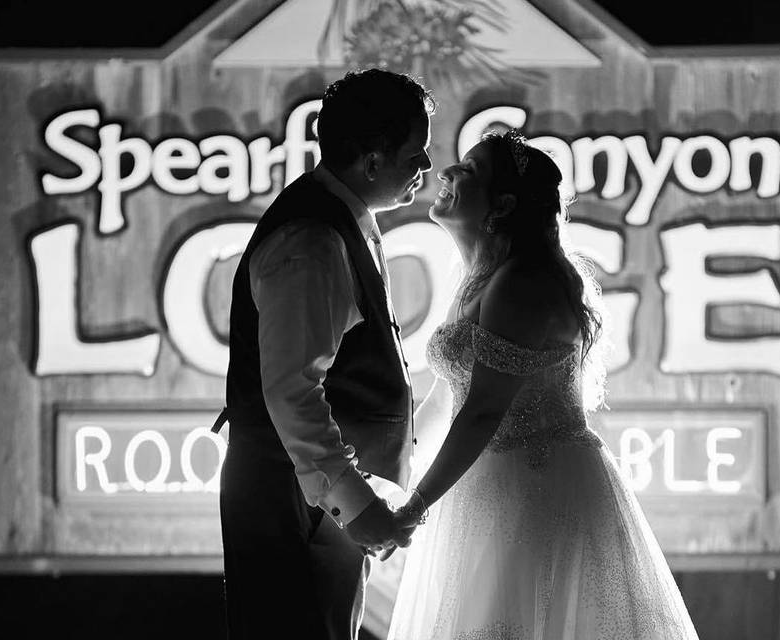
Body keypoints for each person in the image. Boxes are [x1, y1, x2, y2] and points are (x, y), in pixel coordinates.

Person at [387, 130, 699, 640]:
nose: (447, 174)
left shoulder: (523, 281)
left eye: (471, 169)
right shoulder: (484, 277)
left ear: (503, 203)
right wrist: (390, 471)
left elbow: (483, 410)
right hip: (488, 486)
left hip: (532, 492)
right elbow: (450, 395)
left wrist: (416, 505)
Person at [214, 69, 435, 639]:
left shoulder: (341, 220)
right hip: (296, 511)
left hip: (314, 509)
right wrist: (355, 508)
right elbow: (291, 391)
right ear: (371, 160)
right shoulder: (313, 241)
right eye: (417, 153)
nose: (427, 168)